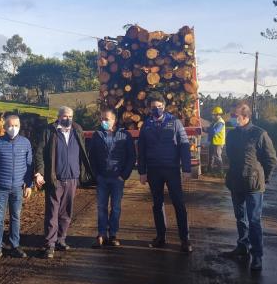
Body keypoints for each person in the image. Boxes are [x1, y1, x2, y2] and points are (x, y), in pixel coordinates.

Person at [223, 103, 277, 271]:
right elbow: (229, 156)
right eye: (231, 115)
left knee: (254, 221)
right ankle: (242, 247)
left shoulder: (259, 134)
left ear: (245, 117)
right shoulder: (231, 135)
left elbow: (271, 160)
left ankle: (257, 256)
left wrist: (263, 178)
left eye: (235, 115)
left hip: (254, 184)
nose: (232, 118)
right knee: (240, 218)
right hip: (236, 182)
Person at [34, 106, 94, 259]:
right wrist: (39, 172)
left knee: (66, 212)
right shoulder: (50, 131)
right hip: (56, 179)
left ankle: (61, 239)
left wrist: (82, 172)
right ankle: (50, 245)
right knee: (52, 212)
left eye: (70, 116)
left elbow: (83, 152)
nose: (68, 119)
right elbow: (39, 152)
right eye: (65, 116)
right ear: (59, 116)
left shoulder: (77, 130)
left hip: (72, 177)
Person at [138, 93, 193, 253]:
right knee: (157, 205)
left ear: (164, 107)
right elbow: (141, 149)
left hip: (172, 170)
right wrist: (142, 171)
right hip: (154, 171)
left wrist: (187, 168)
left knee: (179, 204)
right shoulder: (146, 125)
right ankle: (160, 237)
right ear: (149, 108)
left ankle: (185, 239)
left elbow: (184, 145)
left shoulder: (174, 122)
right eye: (154, 107)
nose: (157, 109)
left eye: (159, 107)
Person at [0, 114, 33, 263]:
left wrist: (29, 185)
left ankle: (14, 245)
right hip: (0, 188)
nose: (13, 128)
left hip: (18, 188)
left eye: (16, 125)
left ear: (20, 126)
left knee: (16, 217)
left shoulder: (25, 143)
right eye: (10, 125)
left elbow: (29, 166)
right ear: (4, 127)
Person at [88, 108, 136, 248]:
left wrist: (124, 175)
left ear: (114, 120)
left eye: (106, 119)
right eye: (102, 119)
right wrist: (96, 175)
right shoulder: (97, 135)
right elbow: (92, 157)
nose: (103, 121)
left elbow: (131, 156)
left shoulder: (125, 135)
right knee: (101, 207)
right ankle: (102, 234)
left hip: (117, 179)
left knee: (115, 208)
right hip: (102, 178)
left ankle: (113, 234)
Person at [208, 106, 226, 173]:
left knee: (217, 157)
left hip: (218, 143)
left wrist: (207, 129)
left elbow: (215, 131)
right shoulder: (215, 121)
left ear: (218, 115)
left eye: (214, 115)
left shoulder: (220, 122)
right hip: (213, 142)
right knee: (211, 156)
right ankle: (210, 170)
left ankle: (220, 171)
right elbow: (211, 129)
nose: (213, 116)